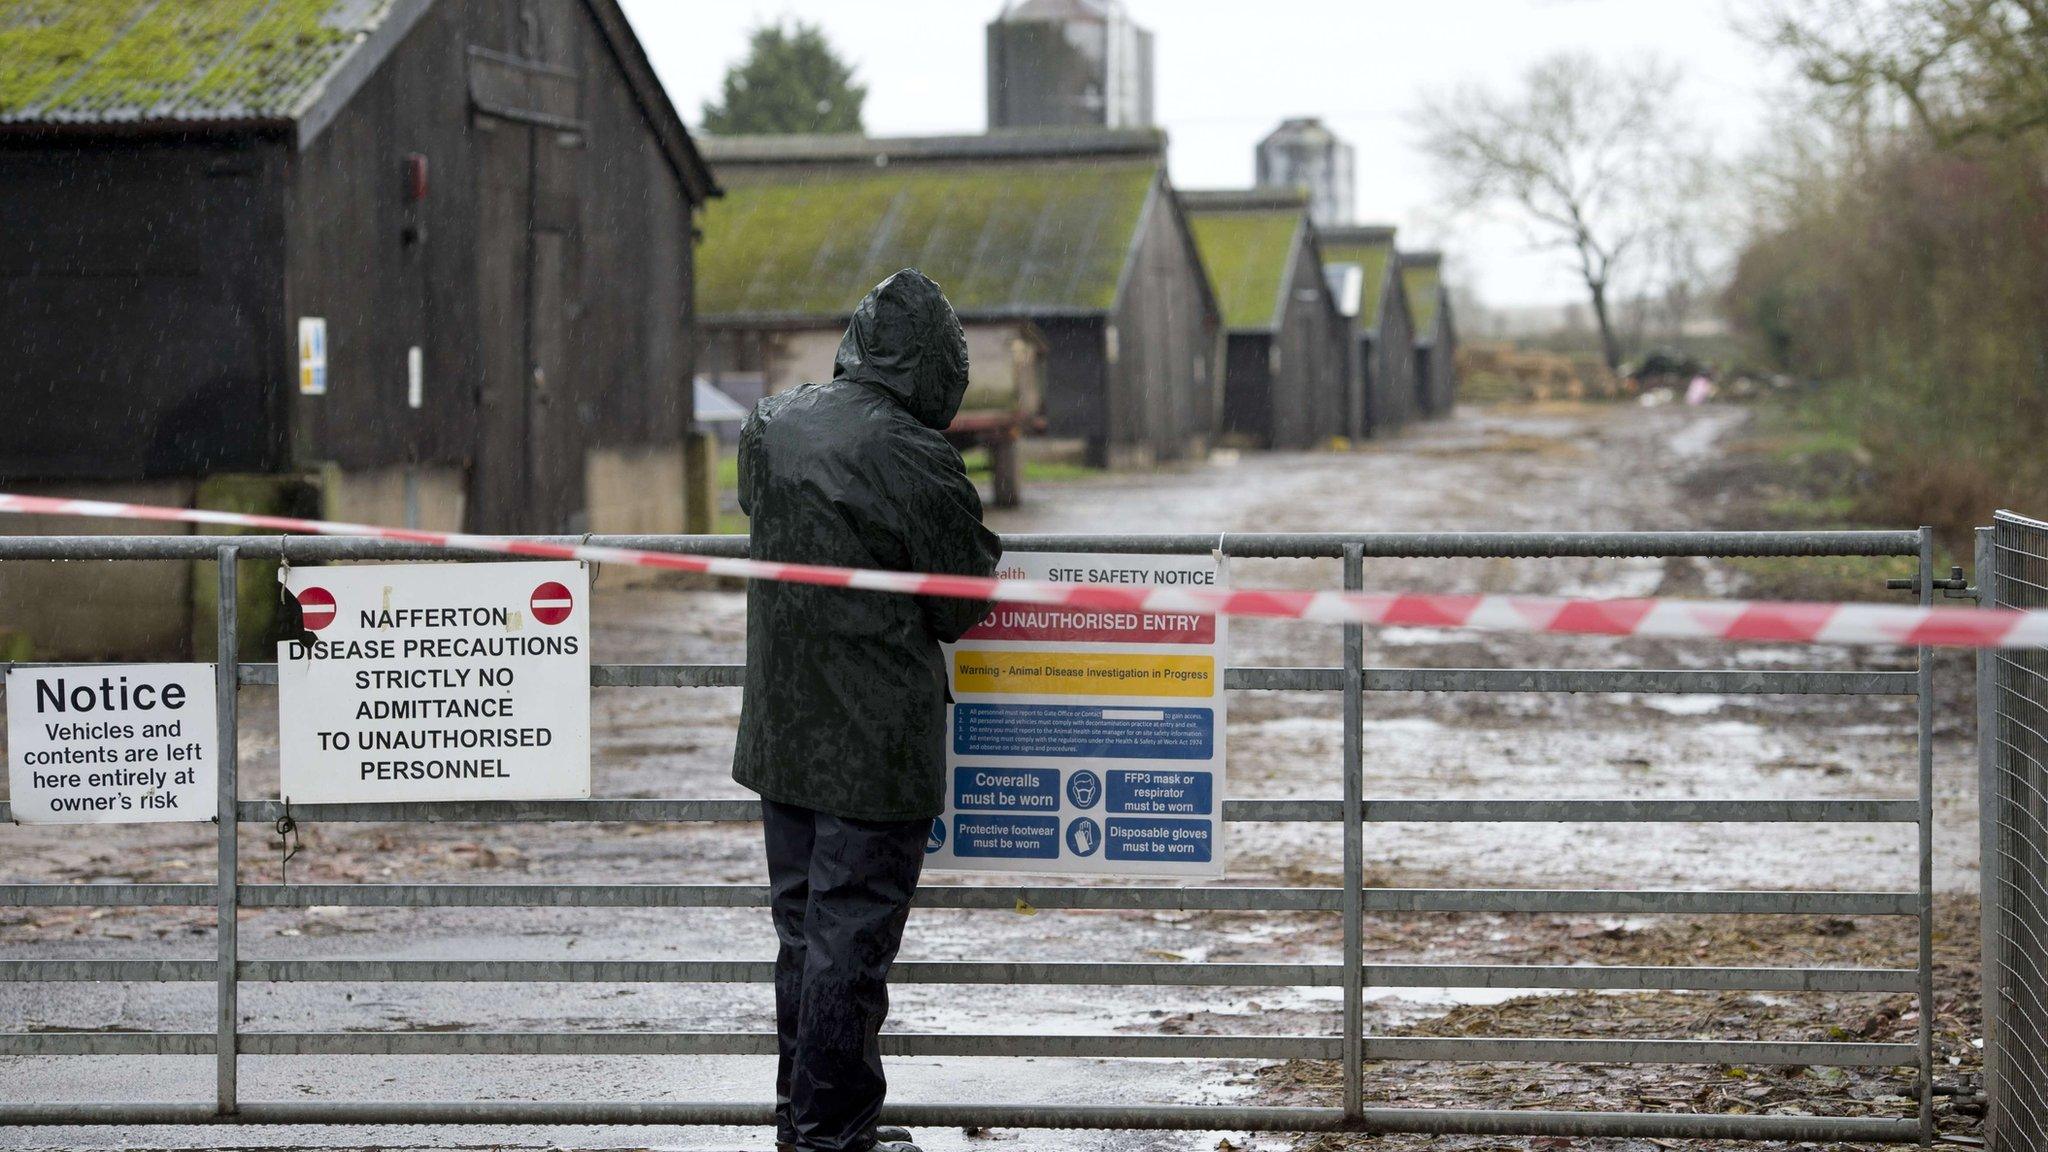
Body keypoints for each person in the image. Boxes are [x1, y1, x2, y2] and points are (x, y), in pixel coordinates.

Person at [732, 269, 1002, 1152]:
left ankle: (802, 1122)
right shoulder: (913, 455)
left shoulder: (771, 426)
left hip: (783, 732)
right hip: (874, 742)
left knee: (806, 937)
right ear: (934, 367)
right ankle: (831, 1138)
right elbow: (961, 602)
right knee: (849, 950)